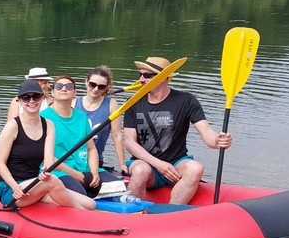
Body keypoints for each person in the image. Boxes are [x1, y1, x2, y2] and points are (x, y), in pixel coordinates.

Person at [123, 57, 232, 204]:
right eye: (140, 74)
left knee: (195, 169)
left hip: (176, 164)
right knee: (141, 171)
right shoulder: (133, 103)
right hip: (145, 163)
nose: (141, 79)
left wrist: (218, 140)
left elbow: (207, 133)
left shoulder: (186, 100)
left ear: (164, 78)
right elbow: (129, 142)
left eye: (147, 75)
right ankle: (134, 215)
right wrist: (158, 164)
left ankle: (171, 212)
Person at [0, 81, 95, 210]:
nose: (31, 101)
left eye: (36, 96)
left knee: (90, 203)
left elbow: (48, 162)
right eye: (26, 97)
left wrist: (45, 173)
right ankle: (84, 215)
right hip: (13, 190)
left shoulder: (48, 125)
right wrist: (15, 187)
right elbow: (0, 164)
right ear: (19, 100)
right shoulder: (12, 126)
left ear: (42, 98)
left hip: (36, 185)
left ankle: (89, 214)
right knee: (53, 181)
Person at [39, 76, 102, 197]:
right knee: (80, 193)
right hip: (58, 171)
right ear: (52, 92)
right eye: (59, 86)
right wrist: (74, 174)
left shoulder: (81, 117)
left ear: (75, 92)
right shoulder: (43, 118)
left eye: (69, 87)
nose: (64, 89)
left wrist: (94, 172)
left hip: (83, 168)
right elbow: (44, 157)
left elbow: (91, 148)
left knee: (115, 185)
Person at [75, 66, 128, 174]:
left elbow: (117, 136)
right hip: (72, 158)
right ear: (86, 82)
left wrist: (122, 164)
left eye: (101, 87)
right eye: (92, 84)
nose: (95, 89)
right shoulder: (73, 103)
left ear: (106, 88)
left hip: (95, 159)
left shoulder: (111, 105)